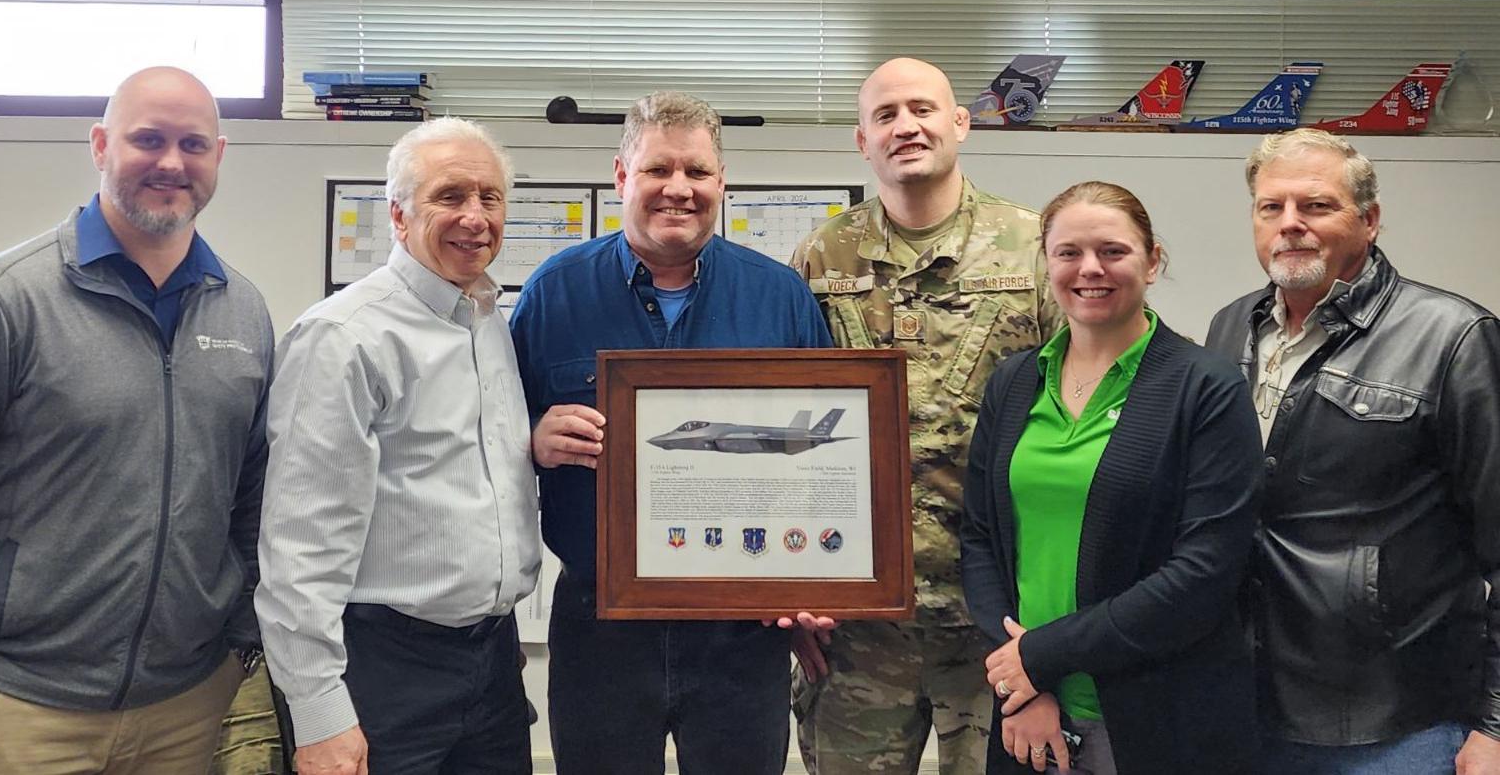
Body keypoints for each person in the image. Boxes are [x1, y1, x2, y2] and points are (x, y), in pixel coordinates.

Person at [0, 66, 272, 774]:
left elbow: (254, 496)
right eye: (148, 139)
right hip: (11, 712)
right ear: (101, 145)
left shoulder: (243, 311)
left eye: (192, 144)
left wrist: (239, 642)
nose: (171, 162)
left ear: (218, 157)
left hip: (189, 709)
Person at [510, 90, 832, 774]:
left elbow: (823, 462)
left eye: (697, 172)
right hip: (600, 624)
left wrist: (819, 580)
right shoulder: (554, 293)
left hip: (742, 625)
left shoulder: (780, 297)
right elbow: (493, 438)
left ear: (722, 183)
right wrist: (534, 439)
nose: (678, 189)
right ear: (622, 176)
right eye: (658, 170)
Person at [787, 56, 1060, 775]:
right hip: (857, 626)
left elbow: (1085, 418)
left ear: (961, 123)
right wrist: (789, 590)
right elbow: (785, 418)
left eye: (922, 109)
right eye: (885, 115)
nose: (906, 126)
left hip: (997, 618)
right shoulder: (822, 254)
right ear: (862, 141)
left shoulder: (1033, 248)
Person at [1205, 128, 1500, 774]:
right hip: (1248, 694)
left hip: (1395, 714)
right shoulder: (1232, 326)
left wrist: (1496, 725)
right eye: (1271, 208)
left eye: (1316, 206)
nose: (1291, 226)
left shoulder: (1453, 337)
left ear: (1369, 221)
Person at [255, 117, 538, 775]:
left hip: (491, 663)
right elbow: (300, 542)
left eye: (490, 197)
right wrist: (319, 712)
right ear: (398, 215)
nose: (475, 216)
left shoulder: (489, 321)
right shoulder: (345, 337)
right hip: (382, 669)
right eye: (450, 196)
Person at [960, 181, 1263, 774]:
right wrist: (1022, 684)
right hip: (1027, 711)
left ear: (1153, 262)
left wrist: (1040, 656)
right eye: (1068, 252)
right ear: (1046, 263)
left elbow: (1205, 571)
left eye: (1113, 251)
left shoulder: (1206, 386)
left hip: (1154, 715)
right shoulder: (1015, 381)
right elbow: (979, 540)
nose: (1089, 269)